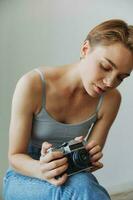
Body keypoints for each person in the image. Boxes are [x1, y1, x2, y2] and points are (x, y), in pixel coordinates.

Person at [3, 19, 133, 200]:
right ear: (85, 49)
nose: (110, 82)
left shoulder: (111, 99)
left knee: (83, 185)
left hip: (70, 175)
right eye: (105, 67)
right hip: (25, 176)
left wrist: (89, 159)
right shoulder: (33, 84)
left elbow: (87, 165)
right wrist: (42, 169)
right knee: (81, 189)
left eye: (121, 77)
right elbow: (15, 157)